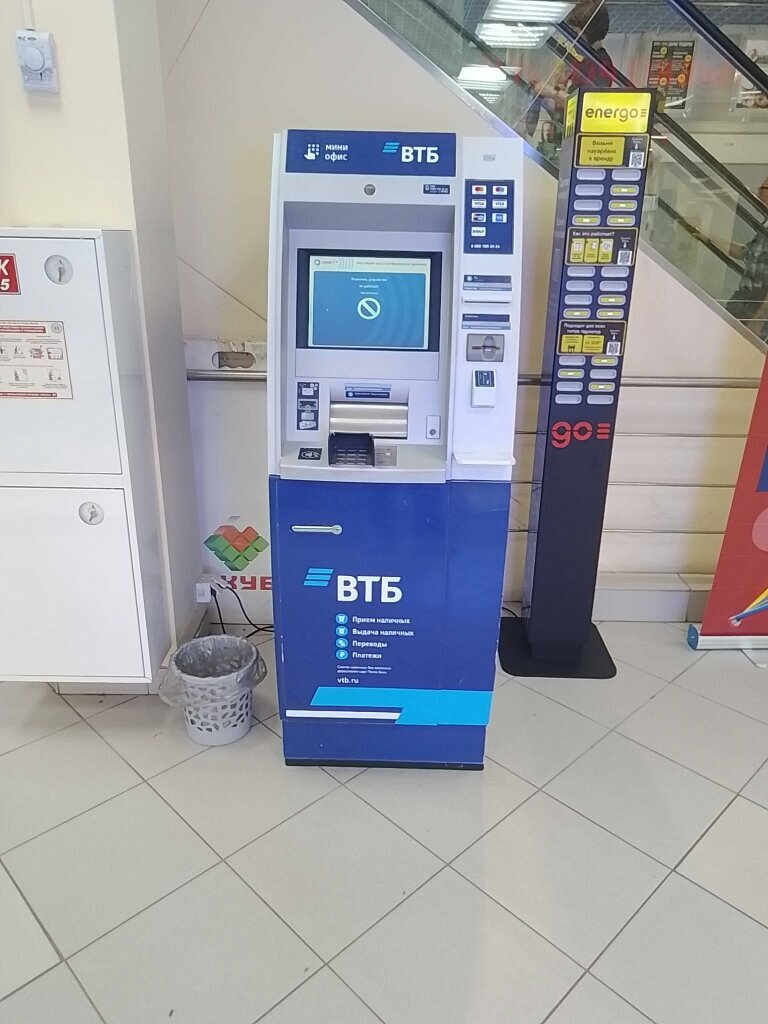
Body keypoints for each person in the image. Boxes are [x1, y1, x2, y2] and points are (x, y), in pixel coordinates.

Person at [530, 0, 616, 112]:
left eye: (575, 33)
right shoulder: (586, 62)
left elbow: (587, 104)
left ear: (589, 32)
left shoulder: (601, 65)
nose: (571, 39)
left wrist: (551, 92)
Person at [726, 176, 768, 341]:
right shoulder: (764, 227)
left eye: (763, 188)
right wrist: (706, 236)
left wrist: (757, 322)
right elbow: (748, 254)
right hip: (743, 301)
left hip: (758, 306)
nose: (758, 193)